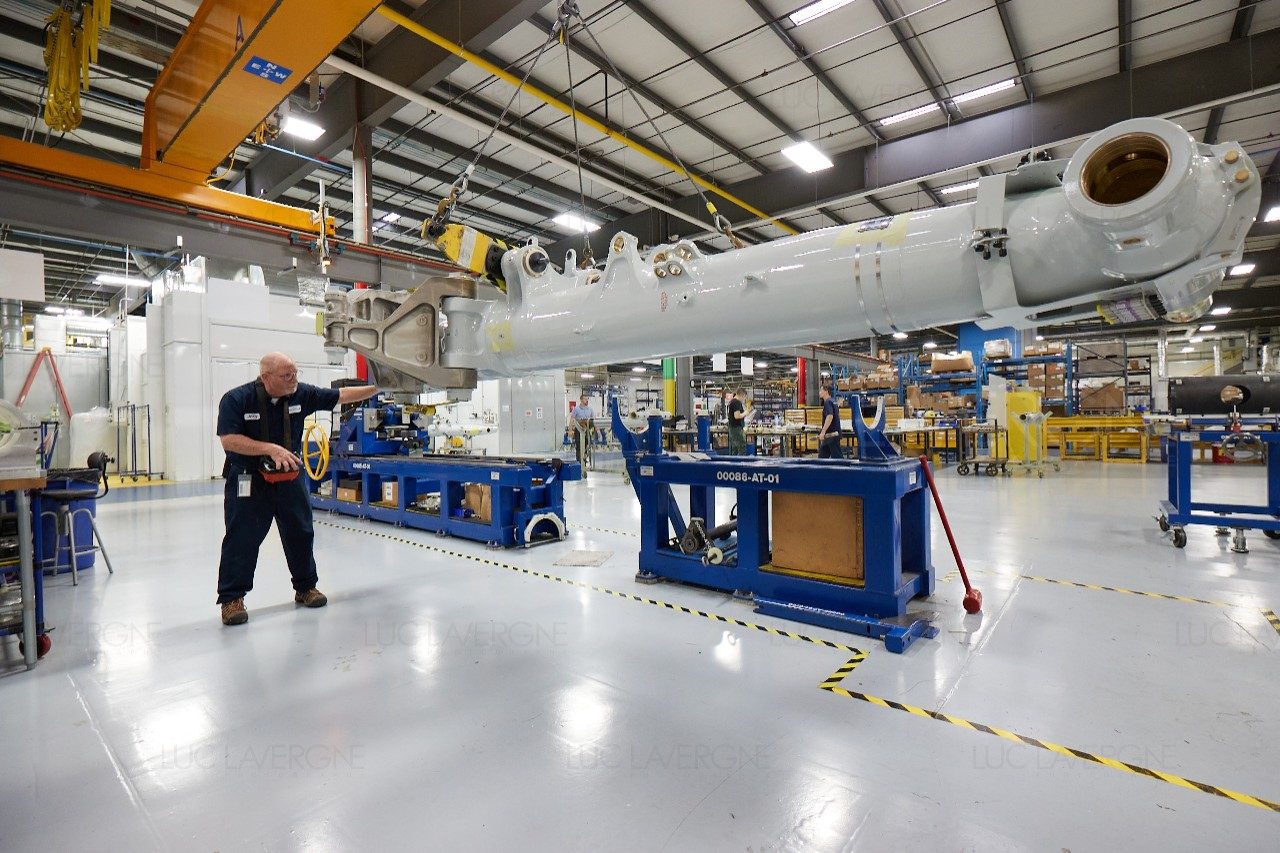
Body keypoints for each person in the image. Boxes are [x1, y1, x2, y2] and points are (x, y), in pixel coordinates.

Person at [215, 352, 378, 626]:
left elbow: (340, 396)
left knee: (301, 532)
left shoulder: (300, 394)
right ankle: (232, 599)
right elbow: (229, 440)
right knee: (242, 536)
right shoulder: (237, 400)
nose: (294, 380)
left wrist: (380, 387)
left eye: (295, 373)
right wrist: (268, 448)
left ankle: (305, 587)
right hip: (249, 478)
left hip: (289, 477)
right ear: (266, 377)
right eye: (286, 375)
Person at [817, 384, 844, 459]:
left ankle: (843, 470)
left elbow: (830, 416)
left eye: (821, 390)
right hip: (829, 436)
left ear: (826, 391)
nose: (819, 392)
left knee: (837, 458)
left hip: (831, 435)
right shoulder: (833, 401)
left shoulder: (827, 402)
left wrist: (822, 432)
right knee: (822, 457)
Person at [570, 393, 595, 468]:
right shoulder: (576, 409)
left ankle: (584, 459)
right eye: (585, 399)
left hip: (587, 430)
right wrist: (570, 430)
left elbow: (593, 421)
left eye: (587, 399)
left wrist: (596, 432)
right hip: (578, 430)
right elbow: (572, 420)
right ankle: (579, 462)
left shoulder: (590, 409)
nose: (586, 400)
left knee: (587, 445)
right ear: (581, 400)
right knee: (579, 446)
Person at [726, 389, 746, 455]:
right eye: (744, 397)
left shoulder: (732, 401)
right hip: (736, 429)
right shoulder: (736, 402)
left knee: (734, 449)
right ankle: (741, 464)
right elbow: (737, 416)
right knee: (742, 447)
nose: (744, 399)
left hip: (732, 428)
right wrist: (746, 413)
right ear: (742, 395)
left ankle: (733, 464)